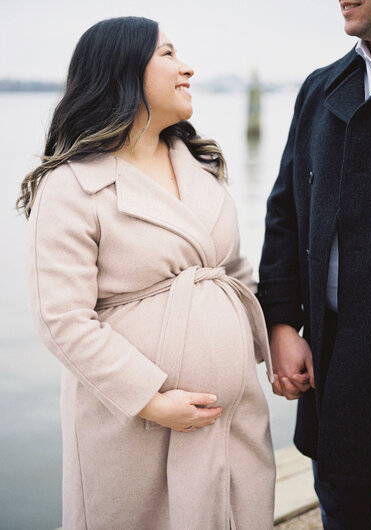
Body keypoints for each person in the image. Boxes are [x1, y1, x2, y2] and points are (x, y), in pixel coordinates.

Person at [17, 16, 275, 530]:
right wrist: (153, 402)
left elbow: (236, 272)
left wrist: (271, 349)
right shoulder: (70, 188)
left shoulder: (200, 167)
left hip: (233, 418)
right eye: (169, 54)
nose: (187, 68)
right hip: (133, 425)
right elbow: (61, 320)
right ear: (124, 71)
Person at [257, 0, 371, 528]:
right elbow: (285, 214)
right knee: (344, 516)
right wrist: (280, 323)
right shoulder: (320, 89)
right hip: (335, 356)